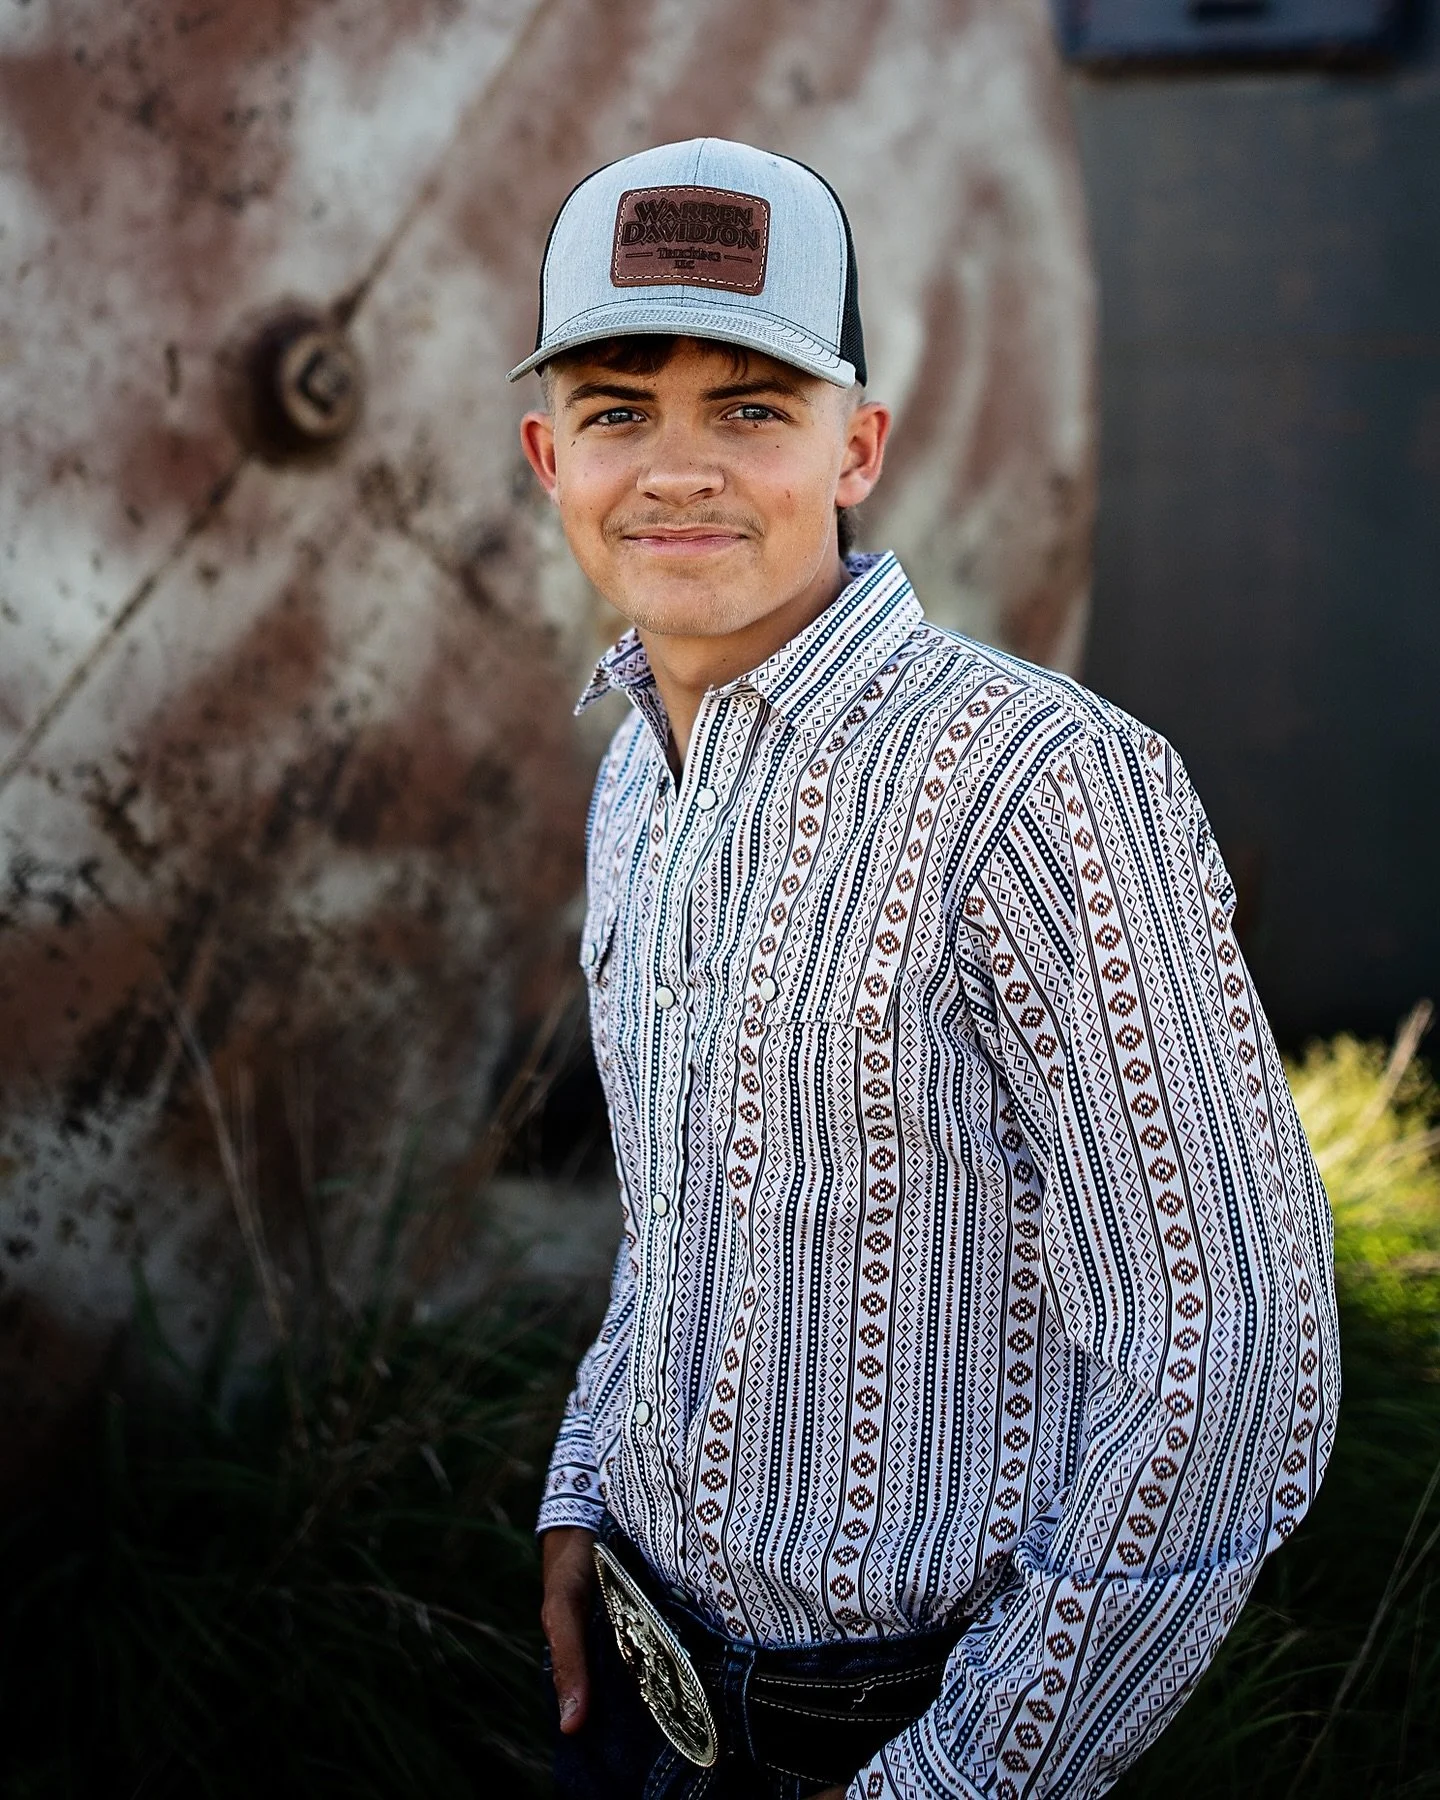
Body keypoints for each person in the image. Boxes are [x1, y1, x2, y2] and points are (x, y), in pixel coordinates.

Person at [511, 137, 1339, 1800]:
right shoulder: (635, 772)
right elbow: (689, 1217)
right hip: (637, 1677)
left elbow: (1237, 1353)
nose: (679, 468)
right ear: (548, 457)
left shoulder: (1034, 785)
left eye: (752, 408)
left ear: (857, 446)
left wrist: (969, 1775)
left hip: (897, 1730)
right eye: (619, 410)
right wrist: (583, 1492)